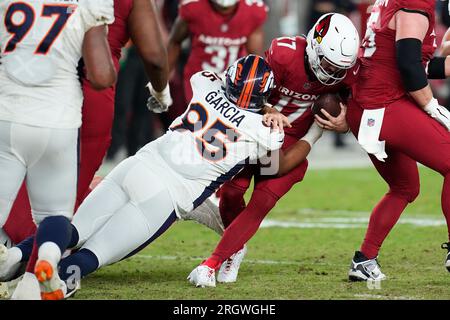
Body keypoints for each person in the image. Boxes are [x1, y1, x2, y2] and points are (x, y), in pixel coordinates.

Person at [1, 55, 323, 297]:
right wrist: (308, 128)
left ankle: (13, 256)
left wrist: (258, 108)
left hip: (138, 165)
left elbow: (209, 78)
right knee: (92, 255)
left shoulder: (204, 84)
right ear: (262, 98)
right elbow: (278, 166)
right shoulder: (265, 134)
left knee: (73, 231)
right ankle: (56, 281)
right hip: (165, 195)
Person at [188, 13, 360, 287]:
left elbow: (362, 104)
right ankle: (236, 246)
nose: (334, 73)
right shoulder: (284, 53)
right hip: (256, 129)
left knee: (262, 201)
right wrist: (269, 110)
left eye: (340, 68)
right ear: (315, 47)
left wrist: (346, 121)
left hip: (293, 143)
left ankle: (213, 262)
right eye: (329, 63)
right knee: (231, 193)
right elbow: (254, 87)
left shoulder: (349, 71)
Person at [0, 0, 117, 299]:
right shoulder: (88, 4)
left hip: (7, 115)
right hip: (57, 121)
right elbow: (102, 76)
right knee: (55, 215)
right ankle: (49, 262)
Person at [343, 0, 450, 281]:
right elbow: (408, 66)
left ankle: (364, 260)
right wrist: (432, 107)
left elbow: (409, 62)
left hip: (366, 106)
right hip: (384, 105)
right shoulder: (414, 4)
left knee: (404, 187)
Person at [168, 0, 268, 103]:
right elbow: (174, 42)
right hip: (198, 81)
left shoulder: (253, 11)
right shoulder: (193, 6)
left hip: (234, 84)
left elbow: (255, 59)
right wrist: (162, 86)